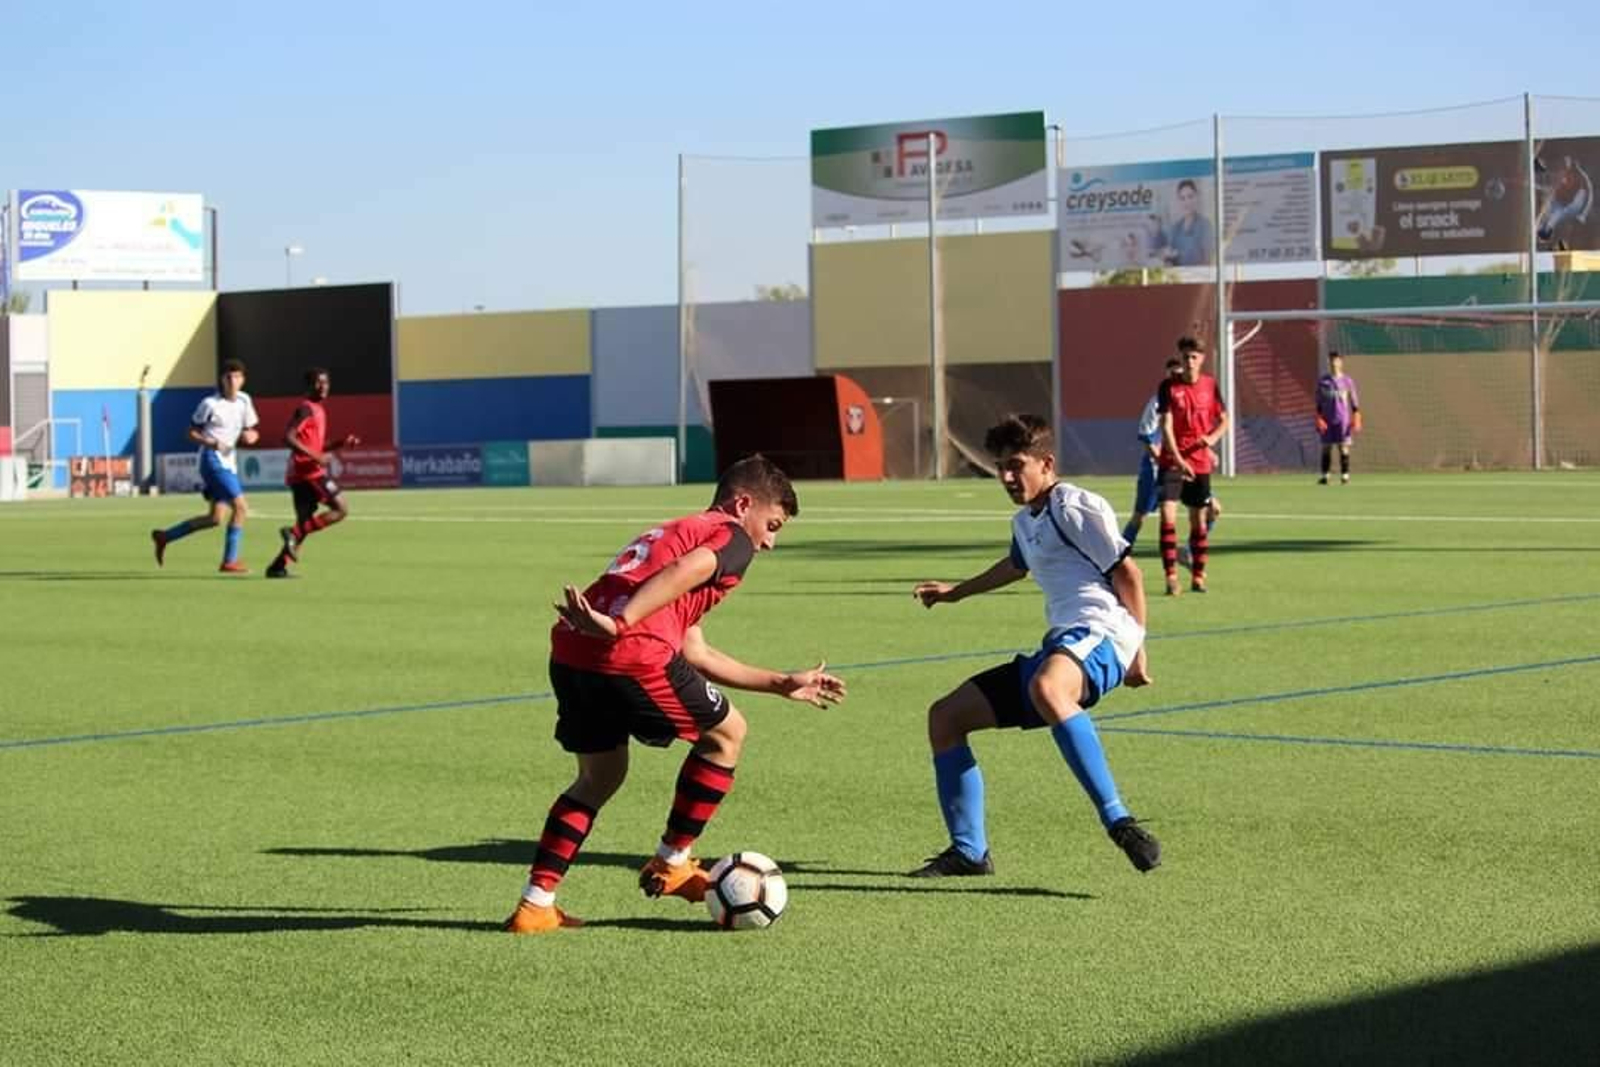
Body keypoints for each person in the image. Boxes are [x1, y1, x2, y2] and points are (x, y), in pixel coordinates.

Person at [503, 456, 847, 934]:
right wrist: (620, 624)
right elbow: (695, 567)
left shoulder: (674, 530)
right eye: (771, 525)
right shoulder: (729, 537)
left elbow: (695, 651)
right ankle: (673, 862)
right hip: (626, 649)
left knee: (598, 778)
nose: (769, 542)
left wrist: (780, 682)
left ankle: (536, 904)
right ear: (742, 503)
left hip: (571, 650)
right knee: (727, 735)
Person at [906, 414, 1160, 879]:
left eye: (1016, 465)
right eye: (999, 467)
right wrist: (954, 592)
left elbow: (1129, 574)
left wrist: (1137, 649)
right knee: (945, 717)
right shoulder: (1026, 520)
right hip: (1062, 643)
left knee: (1049, 688)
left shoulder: (1075, 506)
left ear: (1046, 463)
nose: (1006, 477)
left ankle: (1119, 821)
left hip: (1098, 632)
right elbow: (1015, 566)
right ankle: (969, 852)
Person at [150, 359, 259, 573]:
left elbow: (253, 430)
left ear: (243, 380)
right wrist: (212, 443)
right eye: (228, 377)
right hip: (212, 460)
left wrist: (251, 436)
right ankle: (230, 561)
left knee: (215, 518)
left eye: (236, 376)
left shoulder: (245, 401)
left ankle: (165, 536)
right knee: (241, 507)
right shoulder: (210, 404)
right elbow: (190, 432)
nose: (232, 381)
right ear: (222, 379)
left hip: (229, 463)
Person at [265, 368, 361, 578]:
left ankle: (277, 567)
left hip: (300, 473)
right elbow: (288, 437)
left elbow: (317, 445)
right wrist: (316, 458)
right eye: (318, 382)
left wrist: (341, 442)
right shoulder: (306, 409)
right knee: (341, 508)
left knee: (305, 522)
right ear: (309, 385)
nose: (323, 386)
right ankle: (292, 534)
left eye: (326, 382)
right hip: (307, 472)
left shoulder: (318, 410)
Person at [1158, 336, 1228, 595]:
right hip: (1172, 461)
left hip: (1199, 463)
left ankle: (1198, 576)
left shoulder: (1210, 385)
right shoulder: (1168, 387)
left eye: (1194, 356)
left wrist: (1211, 439)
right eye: (1186, 356)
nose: (1189, 361)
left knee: (1198, 520)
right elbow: (1165, 426)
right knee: (1167, 514)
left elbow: (1224, 419)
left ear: (1202, 359)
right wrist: (1177, 460)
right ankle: (1171, 577)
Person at [1123, 357, 1183, 549]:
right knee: (1140, 516)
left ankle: (1188, 552)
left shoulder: (1188, 400)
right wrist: (1164, 460)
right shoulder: (1157, 403)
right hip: (1157, 469)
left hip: (1184, 467)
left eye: (1179, 374)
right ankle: (1117, 556)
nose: (1175, 377)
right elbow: (1146, 436)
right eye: (1172, 374)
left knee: (1212, 509)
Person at [1316, 351, 1362, 485]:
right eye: (1331, 360)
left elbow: (1354, 401)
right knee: (1326, 447)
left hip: (1343, 420)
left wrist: (1356, 415)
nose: (1333, 363)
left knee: (1343, 447)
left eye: (1336, 360)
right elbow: (1318, 401)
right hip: (1327, 420)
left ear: (1340, 363)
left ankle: (1345, 476)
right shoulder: (1323, 381)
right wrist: (1318, 417)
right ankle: (1325, 476)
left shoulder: (1347, 381)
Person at [1164, 179, 1214, 267]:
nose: (1187, 202)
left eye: (1190, 196)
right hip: (1178, 278)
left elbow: (1208, 260)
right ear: (1179, 201)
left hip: (1200, 277)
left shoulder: (1205, 225)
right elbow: (1169, 260)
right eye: (1182, 198)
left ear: (1196, 197)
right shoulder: (1175, 228)